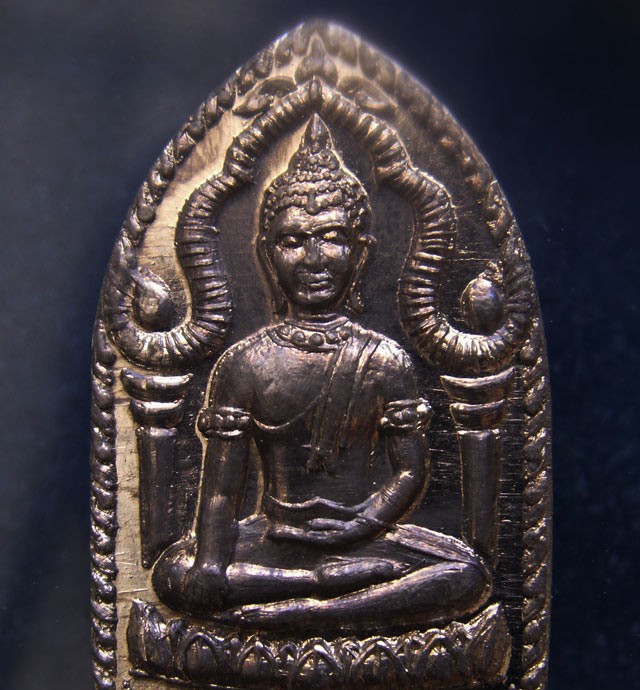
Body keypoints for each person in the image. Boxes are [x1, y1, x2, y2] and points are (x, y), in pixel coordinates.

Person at [152, 115, 490, 632]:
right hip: (274, 537)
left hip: (364, 537)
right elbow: (220, 491)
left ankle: (309, 609)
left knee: (467, 575)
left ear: (362, 252)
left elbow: (409, 472)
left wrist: (364, 521)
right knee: (173, 573)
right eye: (292, 240)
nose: (313, 258)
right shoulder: (244, 363)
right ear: (266, 254)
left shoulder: (384, 358)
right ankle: (322, 587)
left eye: (332, 238)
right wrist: (212, 566)